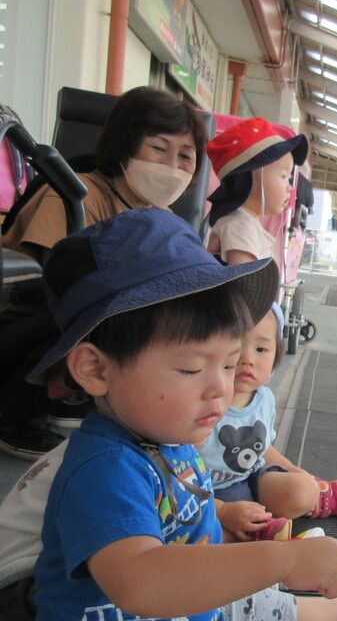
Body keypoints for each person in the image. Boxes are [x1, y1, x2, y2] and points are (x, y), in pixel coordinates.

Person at [23, 207, 337, 621]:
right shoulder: (103, 467)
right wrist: (287, 558)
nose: (220, 389)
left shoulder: (174, 436)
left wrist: (231, 517)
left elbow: (191, 518)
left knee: (269, 607)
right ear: (95, 368)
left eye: (229, 365)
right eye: (191, 369)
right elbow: (141, 579)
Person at [0, 85, 207, 459]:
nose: (172, 167)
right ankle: (15, 416)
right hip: (27, 330)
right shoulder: (70, 194)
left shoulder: (168, 221)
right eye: (158, 149)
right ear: (125, 145)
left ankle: (79, 399)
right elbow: (60, 286)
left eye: (186, 157)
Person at [205, 302, 337, 542]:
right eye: (236, 346)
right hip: (206, 496)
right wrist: (222, 511)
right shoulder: (200, 403)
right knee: (212, 537)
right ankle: (259, 531)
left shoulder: (263, 398)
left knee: (301, 489)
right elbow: (177, 480)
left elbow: (263, 448)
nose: (247, 359)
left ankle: (313, 499)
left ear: (277, 355)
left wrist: (297, 472)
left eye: (261, 349)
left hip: (252, 478)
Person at [205, 116, 306, 266]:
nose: (290, 188)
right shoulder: (240, 226)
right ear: (248, 180)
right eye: (284, 176)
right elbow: (244, 285)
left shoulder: (247, 223)